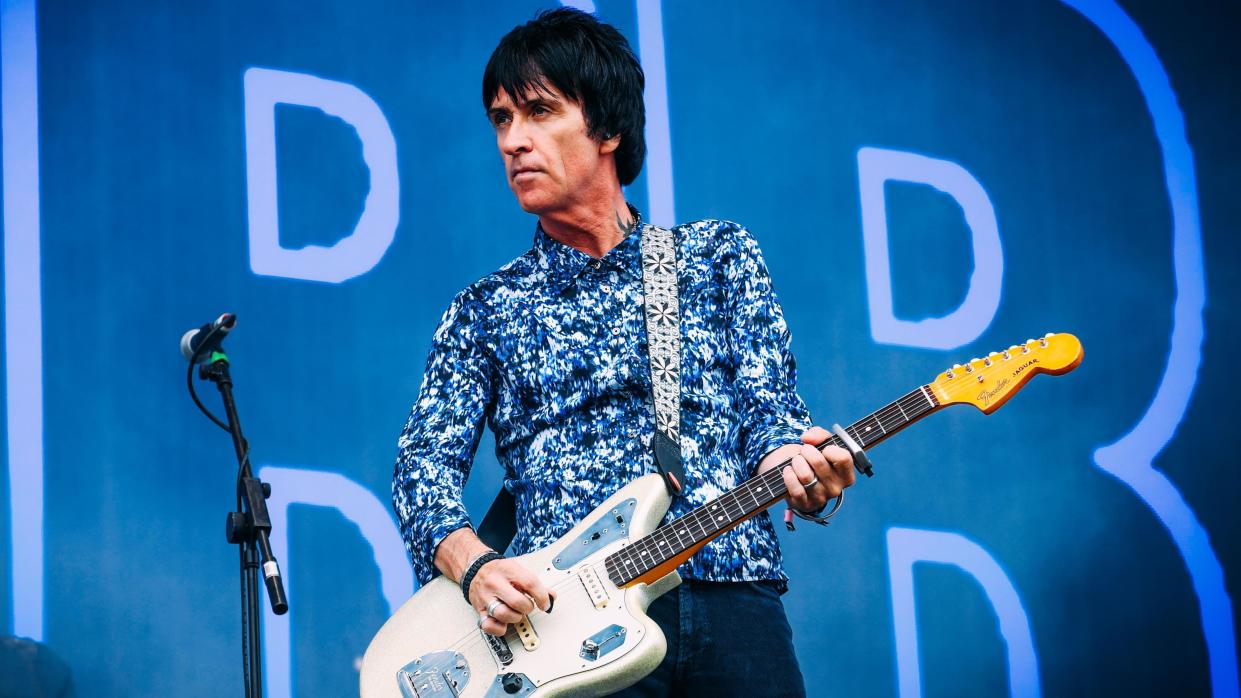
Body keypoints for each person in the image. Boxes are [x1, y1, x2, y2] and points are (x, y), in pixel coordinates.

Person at [392, 8, 855, 696]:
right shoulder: (485, 309)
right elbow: (419, 469)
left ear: (606, 127)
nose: (513, 141)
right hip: (568, 634)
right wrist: (477, 567)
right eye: (501, 120)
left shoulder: (714, 257)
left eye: (539, 112)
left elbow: (771, 419)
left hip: (734, 594)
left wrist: (800, 467)